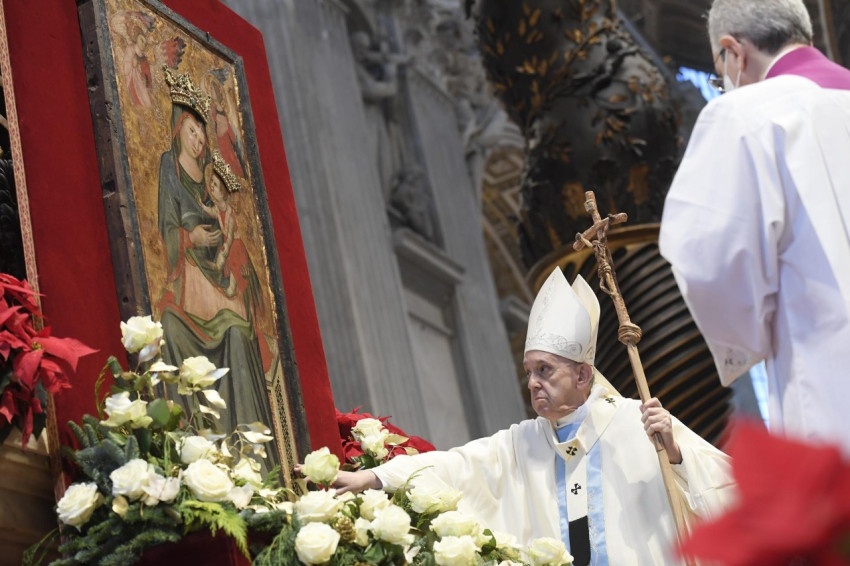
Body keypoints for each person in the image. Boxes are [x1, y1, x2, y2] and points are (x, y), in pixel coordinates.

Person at [331, 267, 734, 565]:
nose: (533, 383)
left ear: (583, 375)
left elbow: (729, 487)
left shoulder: (637, 421)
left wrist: (676, 457)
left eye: (545, 370)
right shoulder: (523, 442)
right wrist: (374, 477)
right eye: (529, 372)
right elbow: (456, 466)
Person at [659, 0, 850, 454]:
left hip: (830, 381)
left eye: (719, 73)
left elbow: (709, 263)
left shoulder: (745, 115)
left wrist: (746, 337)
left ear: (734, 52)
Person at [156, 68, 276, 463]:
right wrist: (191, 239)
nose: (197, 139)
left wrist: (223, 251)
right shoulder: (169, 168)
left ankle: (252, 459)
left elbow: (229, 233)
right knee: (169, 327)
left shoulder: (210, 183)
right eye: (191, 131)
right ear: (178, 131)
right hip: (188, 284)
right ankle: (192, 452)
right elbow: (165, 226)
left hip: (216, 284)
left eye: (201, 134)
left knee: (240, 335)